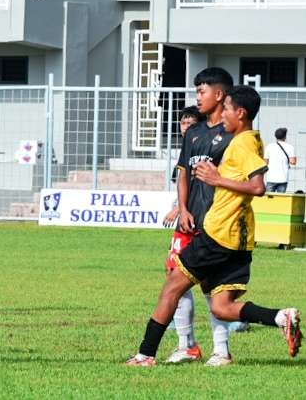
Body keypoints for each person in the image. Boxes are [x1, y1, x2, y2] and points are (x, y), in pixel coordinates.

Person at [127, 85, 302, 366]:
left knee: (172, 286)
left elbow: (258, 187)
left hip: (219, 234)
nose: (224, 117)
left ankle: (145, 354)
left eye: (228, 111)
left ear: (241, 113)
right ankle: (281, 317)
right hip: (237, 238)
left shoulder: (242, 142)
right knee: (222, 307)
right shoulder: (251, 139)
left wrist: (217, 179)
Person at [264, 127, 297, 193]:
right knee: (281, 199)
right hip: (283, 178)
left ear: (275, 136)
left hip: (271, 178)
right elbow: (293, 162)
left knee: (269, 200)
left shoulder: (269, 147)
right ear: (285, 137)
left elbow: (265, 162)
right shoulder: (290, 147)